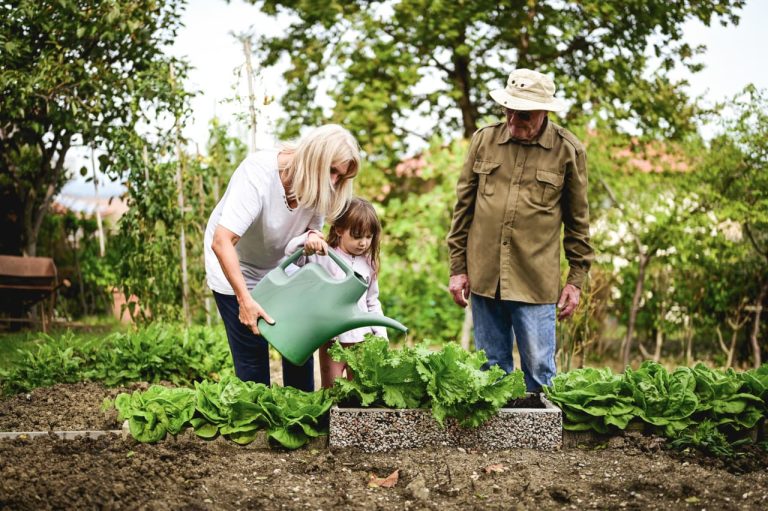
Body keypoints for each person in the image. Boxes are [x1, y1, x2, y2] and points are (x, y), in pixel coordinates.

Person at [446, 68, 594, 392]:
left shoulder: (568, 150)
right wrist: (457, 269)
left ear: (544, 111)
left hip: (535, 281)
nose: (514, 121)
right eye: (509, 111)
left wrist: (576, 281)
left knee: (540, 372)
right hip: (485, 277)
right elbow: (463, 211)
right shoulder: (484, 141)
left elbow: (578, 223)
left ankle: (540, 442)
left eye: (524, 115)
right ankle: (495, 443)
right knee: (490, 372)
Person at [204, 124, 361, 392]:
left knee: (298, 351)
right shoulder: (258, 174)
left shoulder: (320, 186)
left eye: (341, 176)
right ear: (314, 158)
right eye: (332, 171)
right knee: (254, 371)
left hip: (279, 269)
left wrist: (314, 236)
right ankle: (258, 428)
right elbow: (222, 242)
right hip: (234, 267)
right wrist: (245, 300)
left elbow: (312, 228)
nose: (335, 182)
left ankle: (300, 424)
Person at [284, 197, 387, 388]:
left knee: (360, 393)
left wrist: (381, 334)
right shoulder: (324, 255)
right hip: (332, 341)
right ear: (339, 229)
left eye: (368, 236)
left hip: (362, 340)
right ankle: (331, 419)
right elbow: (290, 252)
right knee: (332, 392)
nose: (363, 243)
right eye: (357, 236)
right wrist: (309, 239)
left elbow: (372, 301)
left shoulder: (369, 263)